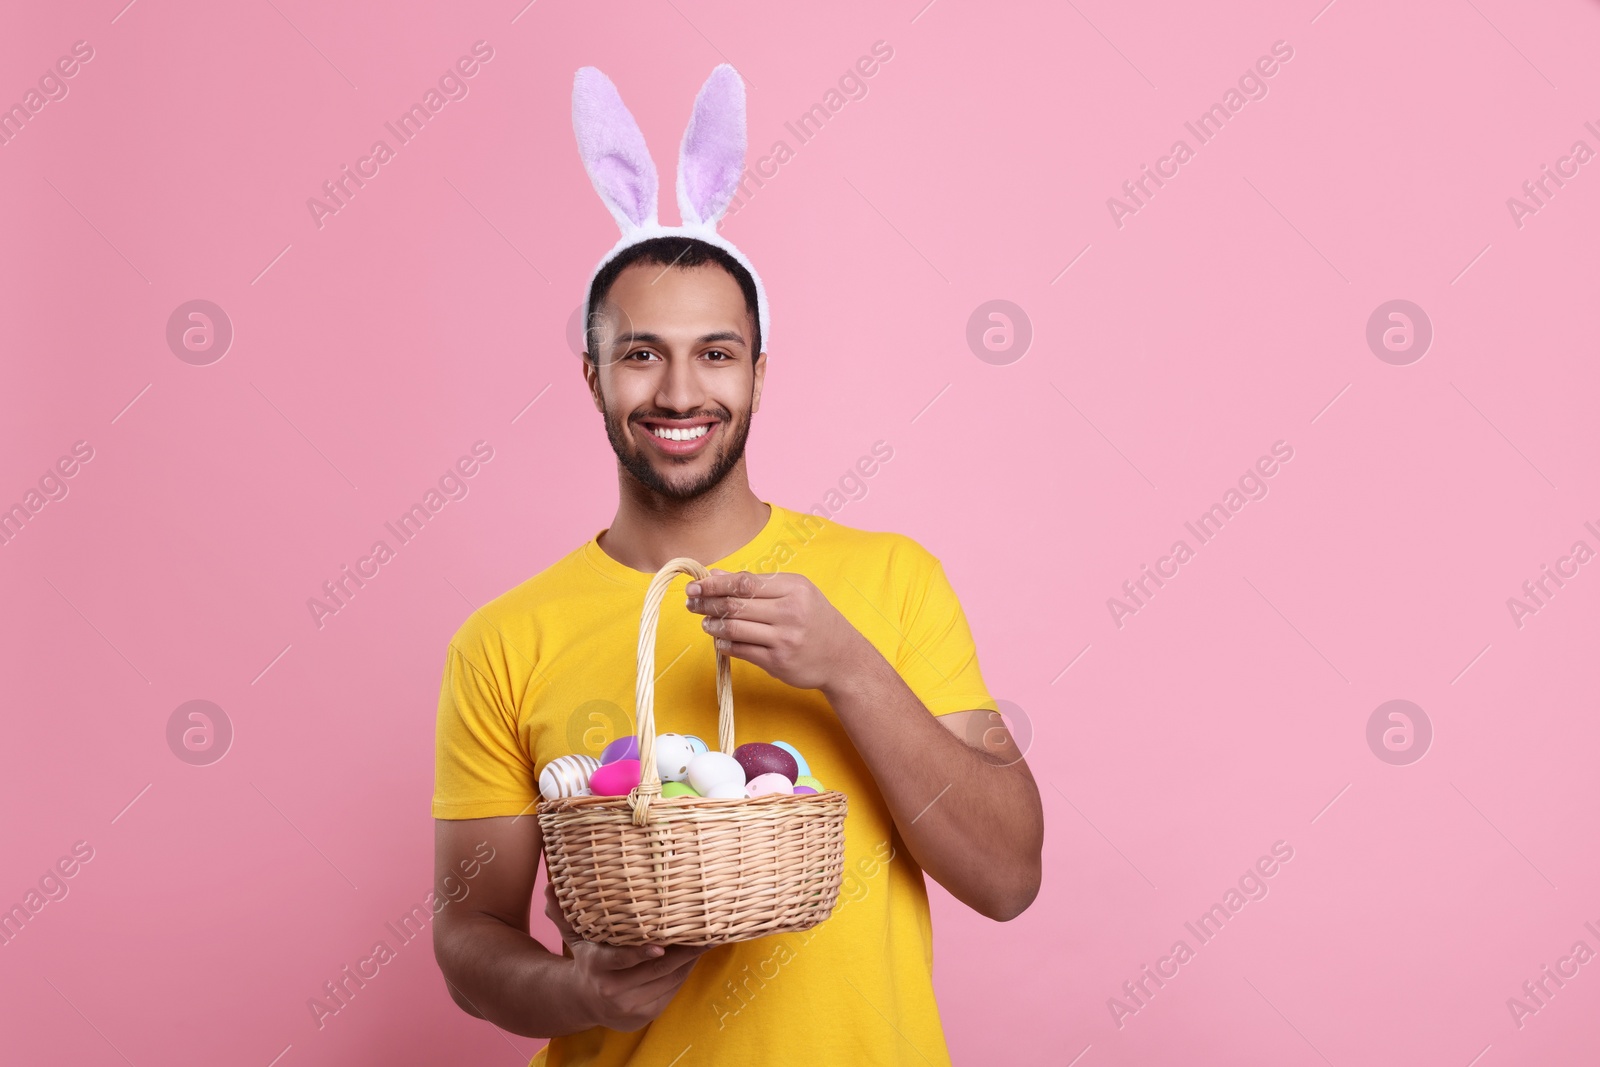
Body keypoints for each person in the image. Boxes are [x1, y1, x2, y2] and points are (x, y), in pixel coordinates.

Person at [430, 64, 1043, 1067]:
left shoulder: (891, 580)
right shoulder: (503, 638)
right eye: (640, 354)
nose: (679, 390)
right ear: (592, 375)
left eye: (715, 353)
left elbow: (1007, 876)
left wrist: (849, 667)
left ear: (759, 370)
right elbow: (469, 940)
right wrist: (576, 987)